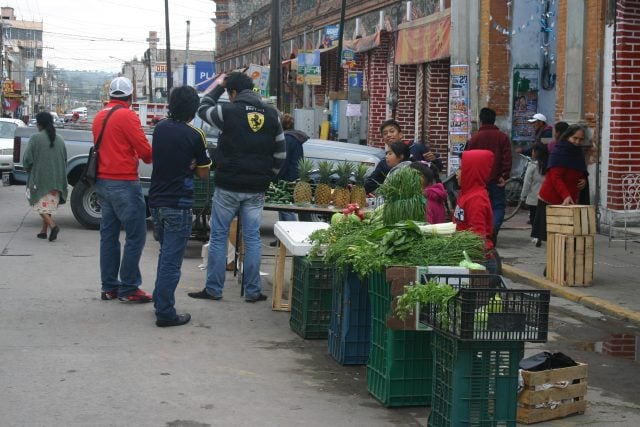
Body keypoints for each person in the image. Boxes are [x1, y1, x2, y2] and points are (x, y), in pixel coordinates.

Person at [191, 71, 285, 302]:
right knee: (252, 237)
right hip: (256, 188)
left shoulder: (228, 111)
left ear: (232, 92)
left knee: (219, 235)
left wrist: (218, 87)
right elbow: (280, 154)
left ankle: (214, 289)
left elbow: (202, 107)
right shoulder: (272, 115)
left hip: (228, 185)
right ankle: (253, 291)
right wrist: (266, 177)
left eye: (229, 93)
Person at [148, 86, 212, 327]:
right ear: (193, 110)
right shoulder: (195, 135)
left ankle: (159, 299)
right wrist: (193, 165)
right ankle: (165, 312)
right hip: (179, 204)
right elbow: (205, 173)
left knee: (166, 254)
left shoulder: (160, 129)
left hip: (156, 202)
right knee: (171, 261)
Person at [94, 76, 154, 303]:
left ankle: (109, 287)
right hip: (125, 183)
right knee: (135, 235)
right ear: (131, 96)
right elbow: (146, 153)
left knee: (108, 236)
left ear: (110, 95)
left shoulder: (100, 116)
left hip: (103, 182)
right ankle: (129, 287)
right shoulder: (127, 116)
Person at [531, 124, 589, 246]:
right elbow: (555, 177)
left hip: (569, 200)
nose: (577, 142)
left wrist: (583, 179)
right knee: (554, 239)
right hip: (551, 198)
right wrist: (566, 195)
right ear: (567, 137)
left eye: (581, 139)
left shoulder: (578, 153)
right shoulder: (559, 150)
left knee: (565, 239)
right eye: (575, 138)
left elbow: (580, 170)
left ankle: (557, 265)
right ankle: (552, 265)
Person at [465, 107, 512, 245]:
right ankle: (492, 230)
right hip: (497, 179)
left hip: (479, 180)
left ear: (480, 120)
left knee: (481, 207)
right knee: (497, 206)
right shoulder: (502, 137)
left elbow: (468, 160)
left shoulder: (474, 139)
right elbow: (507, 158)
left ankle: (485, 232)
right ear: (494, 120)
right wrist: (505, 174)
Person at [23, 112, 68, 242]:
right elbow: (65, 159)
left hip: (40, 179)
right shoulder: (60, 139)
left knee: (38, 203)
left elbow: (27, 159)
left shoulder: (35, 138)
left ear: (39, 124)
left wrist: (27, 169)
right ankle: (43, 231)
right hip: (57, 179)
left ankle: (53, 226)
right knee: (47, 205)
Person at [453, 150, 499, 273]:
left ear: (472, 172)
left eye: (461, 168)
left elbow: (478, 236)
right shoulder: (466, 193)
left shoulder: (476, 199)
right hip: (468, 256)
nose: (456, 173)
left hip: (478, 261)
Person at [269, 113, 308, 246]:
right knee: (284, 207)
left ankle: (292, 237)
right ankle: (283, 237)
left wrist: (275, 176)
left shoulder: (286, 139)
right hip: (294, 175)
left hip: (286, 177)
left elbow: (283, 161)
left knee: (286, 208)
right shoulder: (296, 138)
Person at [520, 143, 549, 239]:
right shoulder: (549, 166)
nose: (531, 153)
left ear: (536, 153)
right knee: (543, 217)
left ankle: (536, 235)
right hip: (545, 197)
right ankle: (543, 234)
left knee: (534, 217)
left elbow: (527, 182)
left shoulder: (532, 166)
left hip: (533, 197)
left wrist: (523, 196)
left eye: (533, 151)